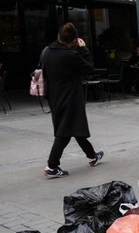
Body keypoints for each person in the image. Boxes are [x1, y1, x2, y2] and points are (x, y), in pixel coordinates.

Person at [42, 23, 103, 178]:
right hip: (71, 97)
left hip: (54, 96)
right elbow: (89, 68)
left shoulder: (48, 52)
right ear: (74, 39)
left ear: (59, 36)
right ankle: (52, 165)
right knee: (65, 131)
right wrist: (83, 49)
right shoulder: (71, 55)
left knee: (75, 127)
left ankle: (92, 155)